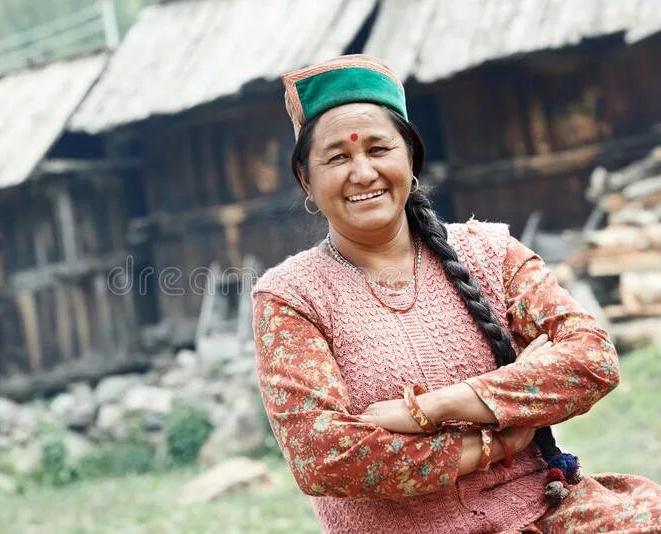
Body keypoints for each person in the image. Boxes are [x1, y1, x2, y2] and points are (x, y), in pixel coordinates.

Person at [251, 54, 661, 533]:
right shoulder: (290, 298)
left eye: (379, 149)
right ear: (306, 179)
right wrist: (495, 444)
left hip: (545, 511)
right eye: (337, 157)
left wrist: (436, 406)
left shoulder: (489, 252)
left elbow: (592, 360)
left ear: (410, 158)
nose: (362, 173)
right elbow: (324, 457)